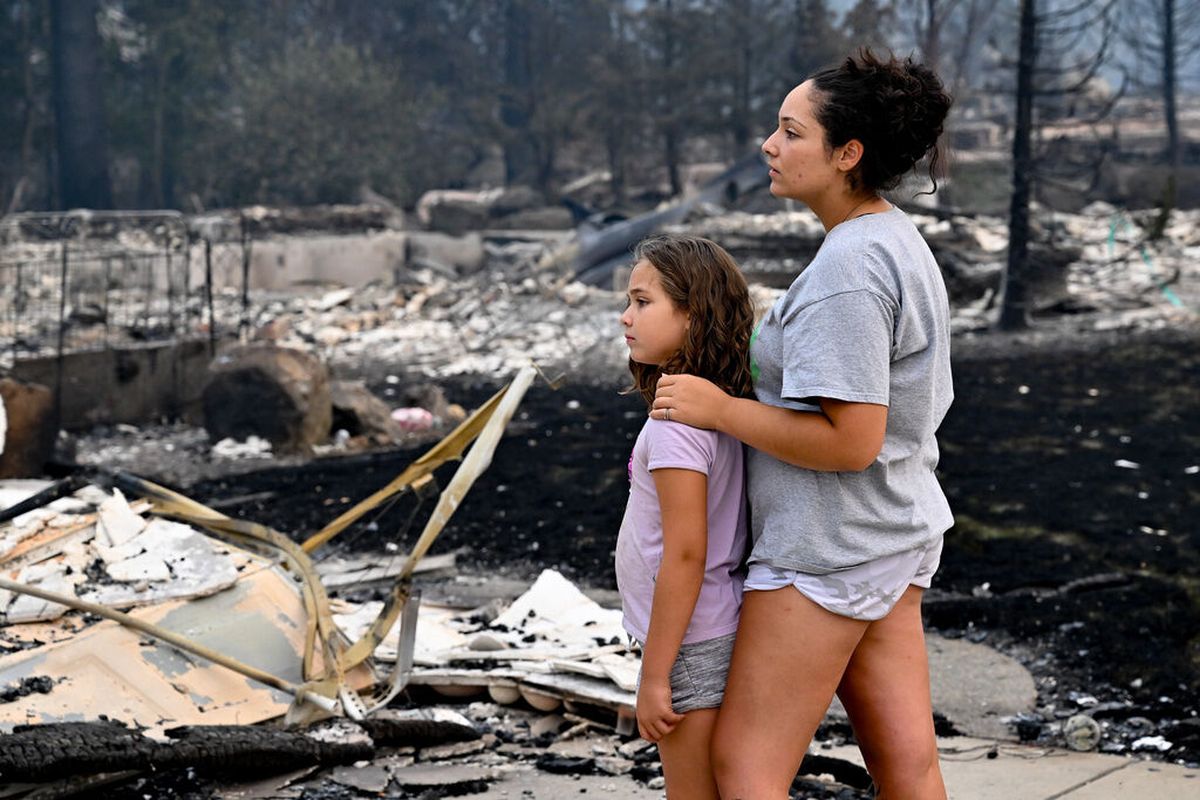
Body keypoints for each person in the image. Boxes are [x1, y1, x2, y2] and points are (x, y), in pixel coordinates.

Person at [651, 50, 955, 799]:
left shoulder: (849, 270)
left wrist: (718, 410)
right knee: (906, 765)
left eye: (791, 132)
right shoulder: (892, 240)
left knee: (746, 770)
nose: (769, 145)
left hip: (827, 554)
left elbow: (851, 442)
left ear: (847, 155)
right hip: (888, 535)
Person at [614, 234, 755, 800]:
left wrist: (654, 675)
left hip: (690, 641)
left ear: (694, 314)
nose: (626, 317)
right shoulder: (721, 404)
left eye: (643, 302)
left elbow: (687, 554)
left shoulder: (676, 426)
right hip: (712, 627)